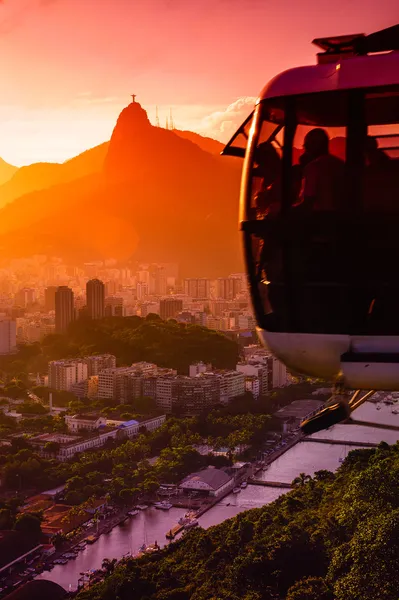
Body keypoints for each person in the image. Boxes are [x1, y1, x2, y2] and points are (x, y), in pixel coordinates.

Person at [299, 128, 345, 212]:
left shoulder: (313, 167)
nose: (305, 150)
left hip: (320, 220)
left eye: (306, 146)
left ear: (312, 146)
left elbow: (308, 202)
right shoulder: (341, 165)